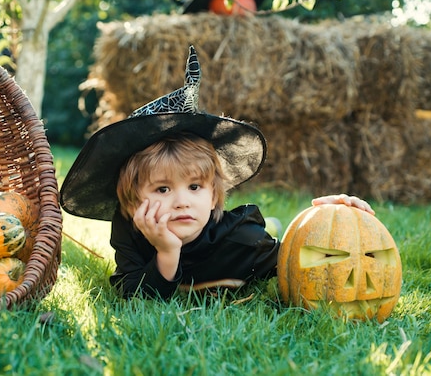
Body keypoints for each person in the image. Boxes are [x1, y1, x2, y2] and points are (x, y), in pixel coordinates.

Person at [60, 46, 374, 299]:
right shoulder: (132, 229)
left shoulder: (243, 243)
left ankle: (275, 226)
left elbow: (303, 259)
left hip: (229, 233)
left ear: (213, 196)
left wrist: (336, 217)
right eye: (162, 190)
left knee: (273, 235)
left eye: (195, 187)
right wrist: (167, 251)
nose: (182, 202)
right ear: (132, 203)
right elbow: (133, 294)